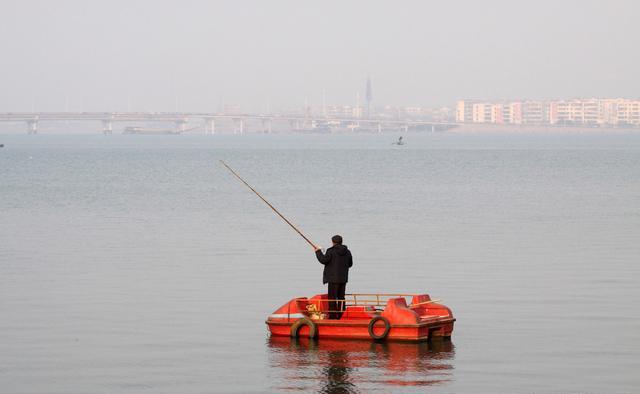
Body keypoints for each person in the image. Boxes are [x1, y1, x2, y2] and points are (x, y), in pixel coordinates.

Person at [314, 235, 353, 319]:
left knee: (332, 298)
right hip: (343, 279)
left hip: (332, 279)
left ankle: (332, 316)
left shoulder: (331, 251)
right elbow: (350, 264)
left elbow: (323, 260)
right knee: (341, 297)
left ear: (333, 242)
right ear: (341, 242)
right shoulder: (348, 252)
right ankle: (341, 315)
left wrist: (318, 251)